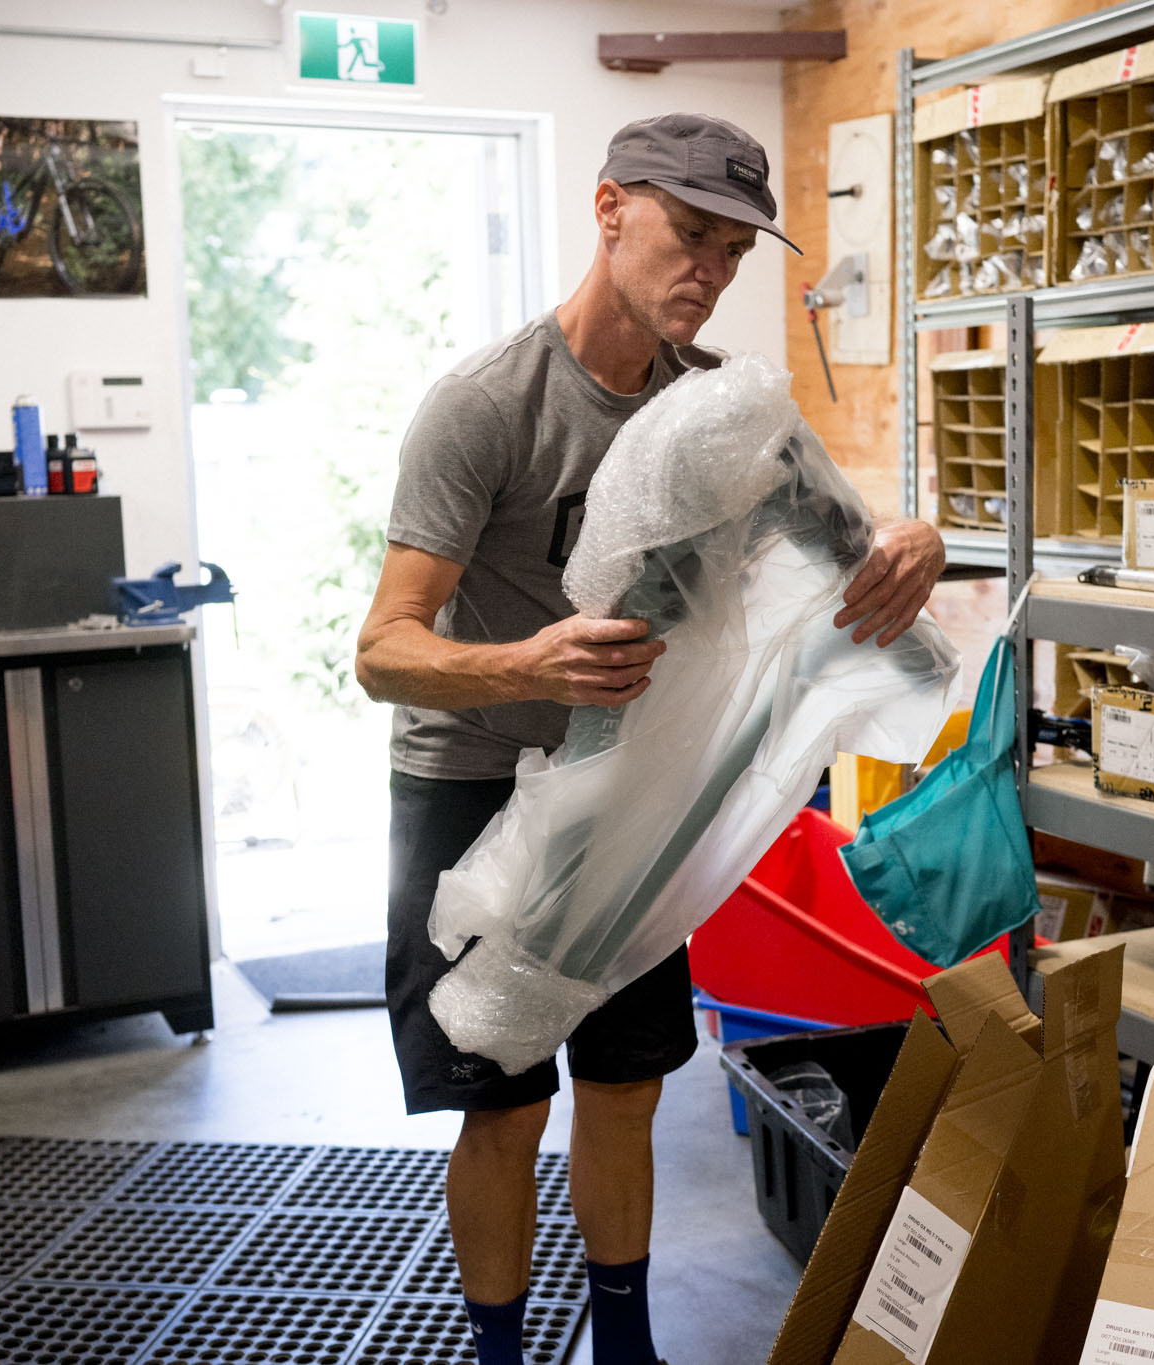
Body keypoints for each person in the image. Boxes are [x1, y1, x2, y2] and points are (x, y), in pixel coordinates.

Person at [355, 113, 946, 1365]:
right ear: (609, 207)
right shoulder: (485, 407)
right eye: (691, 234)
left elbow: (855, 558)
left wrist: (917, 542)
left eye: (733, 251)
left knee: (624, 1091)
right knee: (505, 1109)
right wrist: (526, 662)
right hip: (470, 783)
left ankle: (626, 1350)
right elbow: (382, 650)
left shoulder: (719, 408)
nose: (709, 271)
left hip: (625, 792)